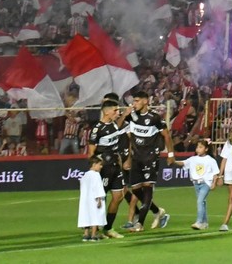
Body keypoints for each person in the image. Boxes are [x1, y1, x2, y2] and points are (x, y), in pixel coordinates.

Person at [123, 87, 174, 231]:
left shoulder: (155, 117)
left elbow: (166, 135)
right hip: (136, 158)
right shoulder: (132, 116)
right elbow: (118, 124)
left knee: (147, 189)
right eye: (134, 101)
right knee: (136, 190)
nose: (134, 104)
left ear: (145, 101)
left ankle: (139, 223)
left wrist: (170, 154)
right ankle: (158, 211)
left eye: (137, 101)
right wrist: (124, 114)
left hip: (150, 157)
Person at [86, 96, 130, 239]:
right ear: (107, 112)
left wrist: (124, 115)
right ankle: (93, 228)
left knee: (118, 196)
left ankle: (108, 227)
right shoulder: (96, 129)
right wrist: (97, 167)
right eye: (116, 110)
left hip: (115, 166)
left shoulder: (114, 125)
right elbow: (91, 153)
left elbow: (118, 128)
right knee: (100, 198)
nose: (118, 112)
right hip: (104, 168)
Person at [183, 139, 220, 231]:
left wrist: (214, 183)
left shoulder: (211, 160)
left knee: (200, 201)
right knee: (203, 202)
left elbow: (216, 173)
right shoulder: (193, 159)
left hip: (206, 183)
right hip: (196, 183)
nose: (198, 149)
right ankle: (205, 222)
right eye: (197, 147)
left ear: (206, 149)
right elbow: (183, 163)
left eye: (200, 147)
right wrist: (173, 161)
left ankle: (199, 222)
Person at [78, 154, 107, 242]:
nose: (101, 167)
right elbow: (98, 188)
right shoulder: (96, 175)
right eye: (100, 164)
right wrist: (99, 200)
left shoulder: (84, 175)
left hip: (85, 200)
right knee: (96, 216)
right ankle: (94, 235)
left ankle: (86, 234)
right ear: (94, 165)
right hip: (94, 200)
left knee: (86, 216)